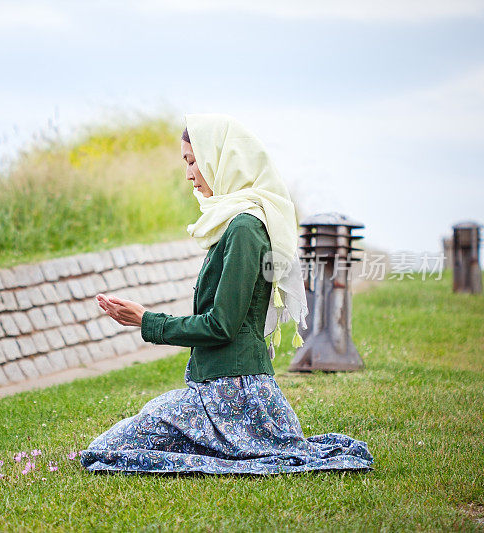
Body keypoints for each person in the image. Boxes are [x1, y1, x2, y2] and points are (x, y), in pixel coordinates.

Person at [79, 113, 374, 475]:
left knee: (104, 451)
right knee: (109, 448)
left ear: (221, 159)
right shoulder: (234, 224)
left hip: (233, 393)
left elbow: (222, 326)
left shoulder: (245, 229)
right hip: (218, 388)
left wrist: (147, 321)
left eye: (192, 161)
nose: (188, 174)